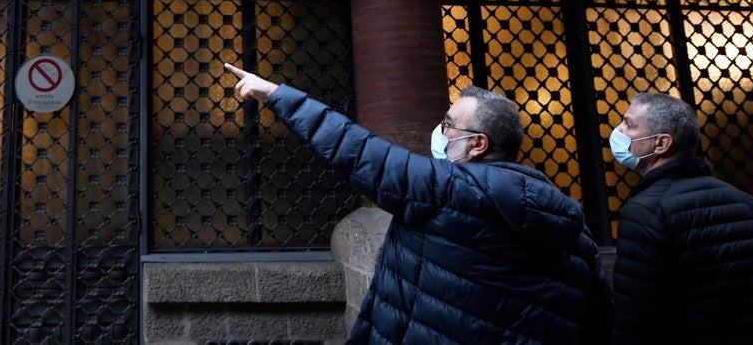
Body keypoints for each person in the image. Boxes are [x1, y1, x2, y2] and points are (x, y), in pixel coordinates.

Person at [225, 62, 613, 344]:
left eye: (448, 124)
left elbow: (360, 153)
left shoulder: (450, 189)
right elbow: (597, 318)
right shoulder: (573, 226)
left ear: (478, 144)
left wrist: (276, 94)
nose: (440, 131)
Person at [608, 91, 753, 344]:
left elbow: (635, 314)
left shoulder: (646, 211)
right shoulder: (744, 201)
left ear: (661, 144)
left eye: (629, 124)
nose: (618, 130)